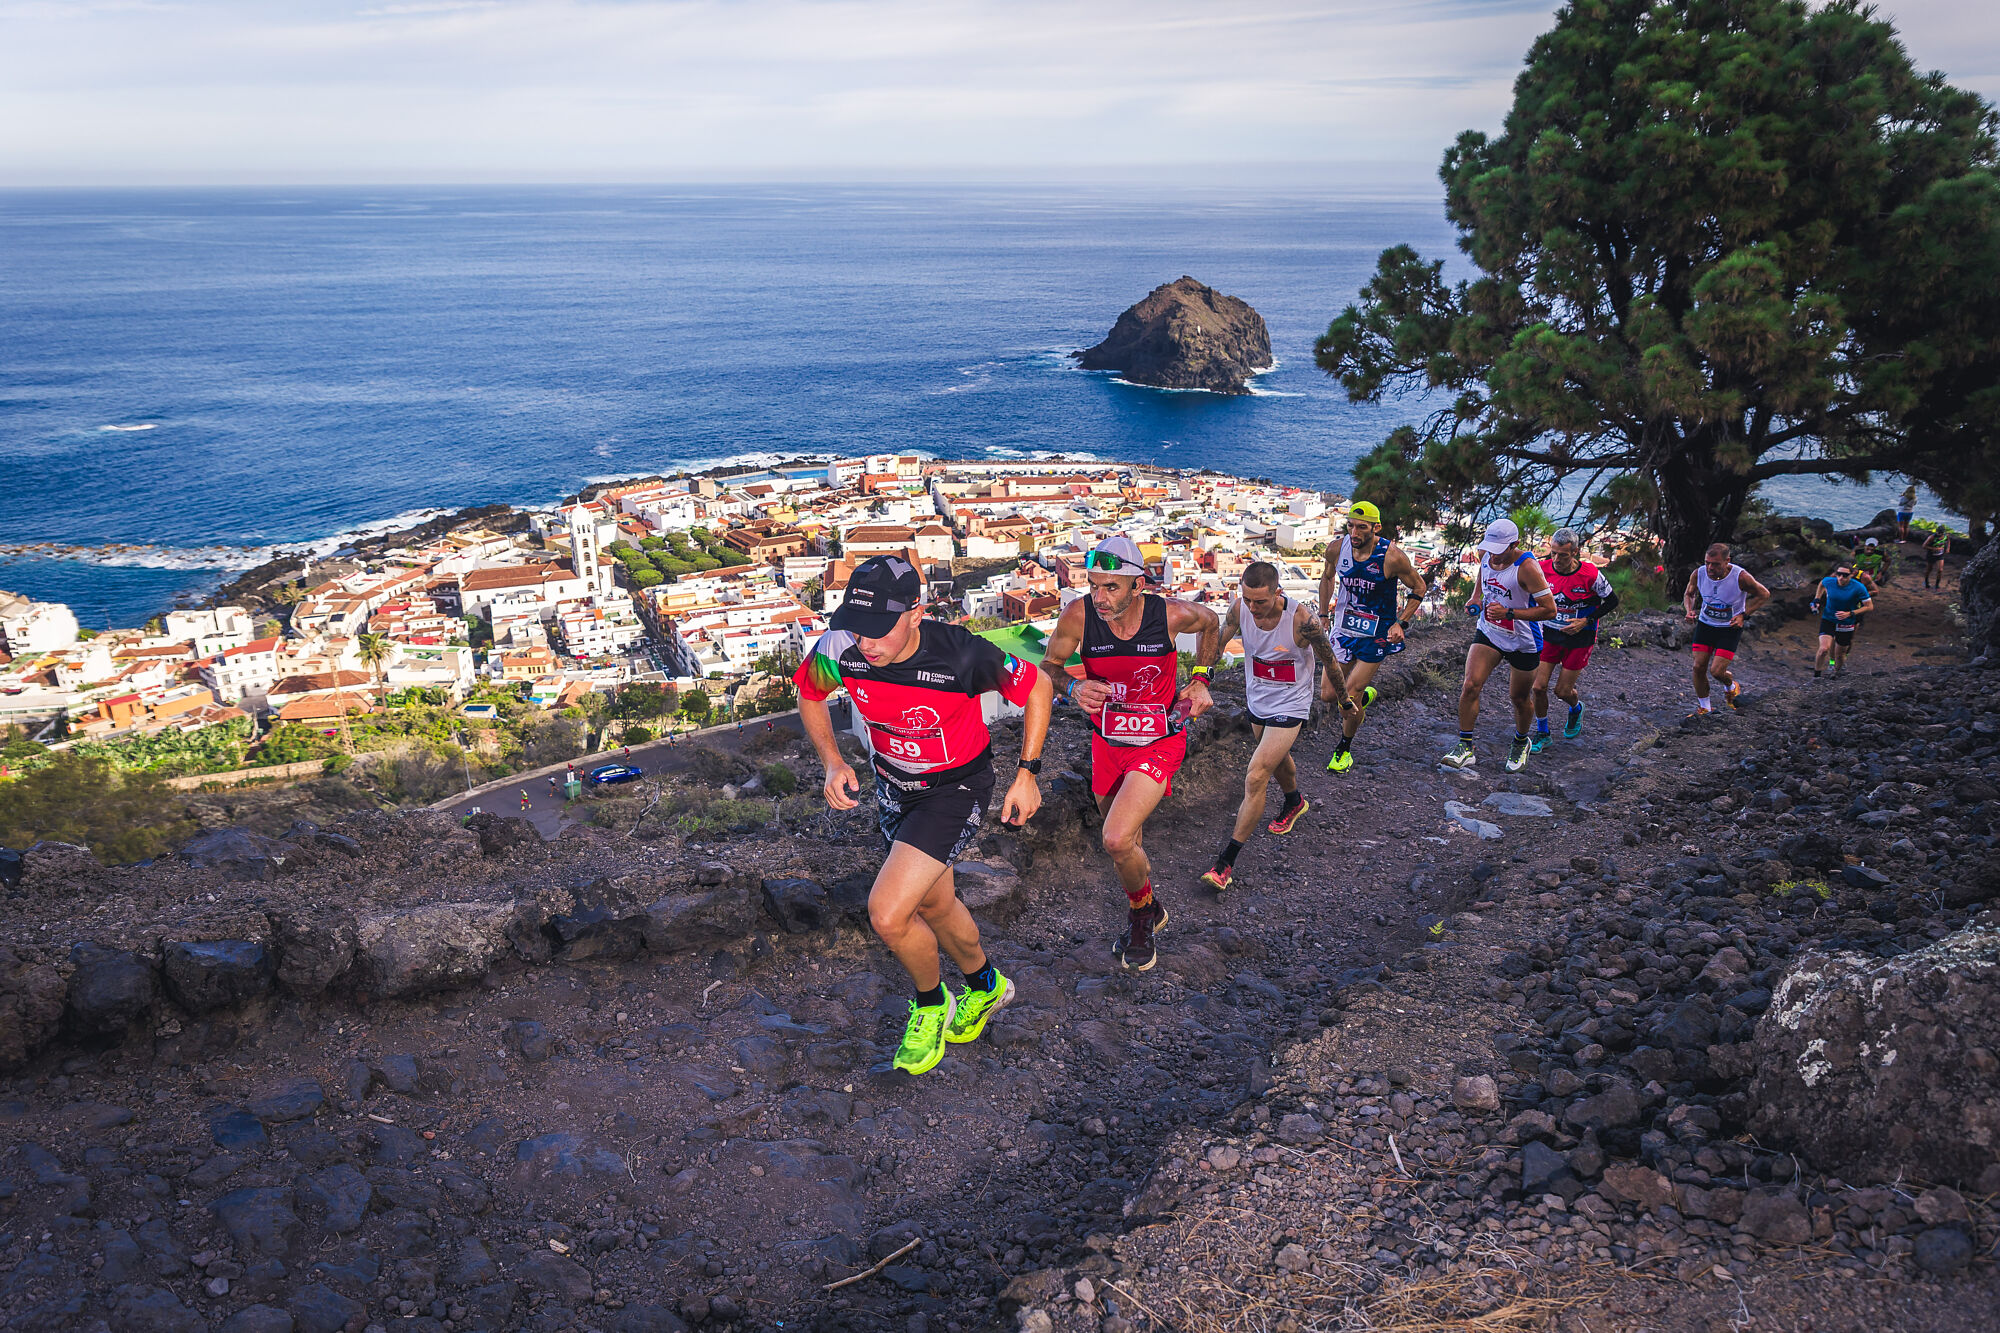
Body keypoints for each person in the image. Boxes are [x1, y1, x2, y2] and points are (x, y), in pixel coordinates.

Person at [794, 555, 1053, 1076]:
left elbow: (1039, 687)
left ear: (916, 613)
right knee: (935, 903)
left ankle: (933, 1004)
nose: (865, 643)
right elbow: (810, 693)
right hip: (895, 788)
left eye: (877, 629)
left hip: (955, 788)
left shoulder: (960, 653)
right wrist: (833, 760)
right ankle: (986, 987)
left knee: (889, 914)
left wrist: (1027, 773)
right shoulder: (841, 646)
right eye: (856, 626)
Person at [1037, 535, 1219, 971]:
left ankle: (1140, 919)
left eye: (1111, 587)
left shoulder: (1170, 614)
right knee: (1127, 842)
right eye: (1094, 585)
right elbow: (1049, 666)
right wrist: (1075, 687)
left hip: (1160, 739)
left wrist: (1200, 678)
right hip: (1108, 741)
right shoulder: (1079, 615)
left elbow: (1212, 623)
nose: (1098, 597)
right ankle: (1150, 906)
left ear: (1138, 585)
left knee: (1115, 838)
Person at [1201, 563, 1354, 894]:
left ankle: (1224, 864)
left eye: (1261, 602)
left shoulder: (1303, 621)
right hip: (1258, 700)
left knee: (1257, 774)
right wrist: (1200, 678)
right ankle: (1294, 801)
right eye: (1248, 600)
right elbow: (1219, 643)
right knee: (1275, 760)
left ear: (1277, 593)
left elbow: (1330, 662)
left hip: (1292, 704)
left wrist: (1342, 701)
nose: (1253, 609)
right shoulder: (1240, 608)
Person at [1316, 501, 1428, 773]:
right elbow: (1327, 577)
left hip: (1375, 636)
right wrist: (1323, 615)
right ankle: (1363, 696)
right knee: (1328, 695)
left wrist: (1401, 622)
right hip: (1343, 631)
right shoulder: (1336, 548)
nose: (1354, 533)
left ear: (1376, 528)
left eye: (1361, 528)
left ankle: (1344, 749)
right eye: (1350, 526)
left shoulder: (1392, 557)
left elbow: (1419, 586)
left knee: (1348, 700)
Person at [1443, 519, 1557, 772]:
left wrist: (1510, 613)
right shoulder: (1487, 554)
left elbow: (1550, 610)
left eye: (1499, 549)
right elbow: (1484, 573)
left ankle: (1520, 741)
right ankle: (1465, 746)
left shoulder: (1527, 568)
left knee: (1518, 697)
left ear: (1514, 545)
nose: (1493, 554)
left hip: (1523, 640)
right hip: (1490, 631)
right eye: (1490, 547)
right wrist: (1475, 597)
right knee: (1470, 685)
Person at [1530, 528, 1619, 750]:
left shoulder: (1590, 574)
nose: (1556, 559)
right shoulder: (1542, 570)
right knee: (1538, 687)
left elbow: (1612, 601)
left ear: (1576, 553)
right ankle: (1543, 733)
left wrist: (1585, 621)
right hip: (1550, 634)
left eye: (1563, 555)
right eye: (1553, 553)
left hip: (1580, 639)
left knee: (1562, 691)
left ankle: (1576, 708)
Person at [1682, 543, 1771, 717]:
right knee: (1698, 667)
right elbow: (1689, 594)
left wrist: (1743, 615)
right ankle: (1705, 708)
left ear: (1727, 561)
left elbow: (1764, 594)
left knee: (1716, 671)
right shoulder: (1698, 573)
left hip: (1729, 628)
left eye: (1715, 564)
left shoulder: (1741, 577)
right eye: (1707, 562)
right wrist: (1689, 610)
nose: (1710, 567)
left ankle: (1730, 686)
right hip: (1706, 625)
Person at [1811, 564, 1872, 678]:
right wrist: (1817, 599)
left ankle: (1836, 673)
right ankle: (1816, 677)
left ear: (1851, 575)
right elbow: (1821, 584)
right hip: (1829, 619)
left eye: (1845, 575)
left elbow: (1869, 606)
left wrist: (1850, 613)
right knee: (1824, 649)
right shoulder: (1829, 581)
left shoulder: (1858, 587)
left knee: (1840, 654)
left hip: (1847, 622)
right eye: (1839, 574)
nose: (1841, 578)